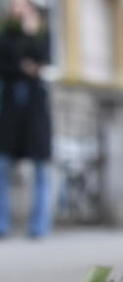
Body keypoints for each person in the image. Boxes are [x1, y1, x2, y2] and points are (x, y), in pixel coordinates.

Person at [0, 0, 51, 239]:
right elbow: (8, 64)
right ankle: (2, 223)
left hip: (35, 108)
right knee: (3, 164)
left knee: (41, 167)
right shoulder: (7, 33)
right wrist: (24, 64)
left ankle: (39, 226)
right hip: (11, 107)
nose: (17, 9)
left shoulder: (42, 33)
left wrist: (30, 35)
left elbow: (43, 61)